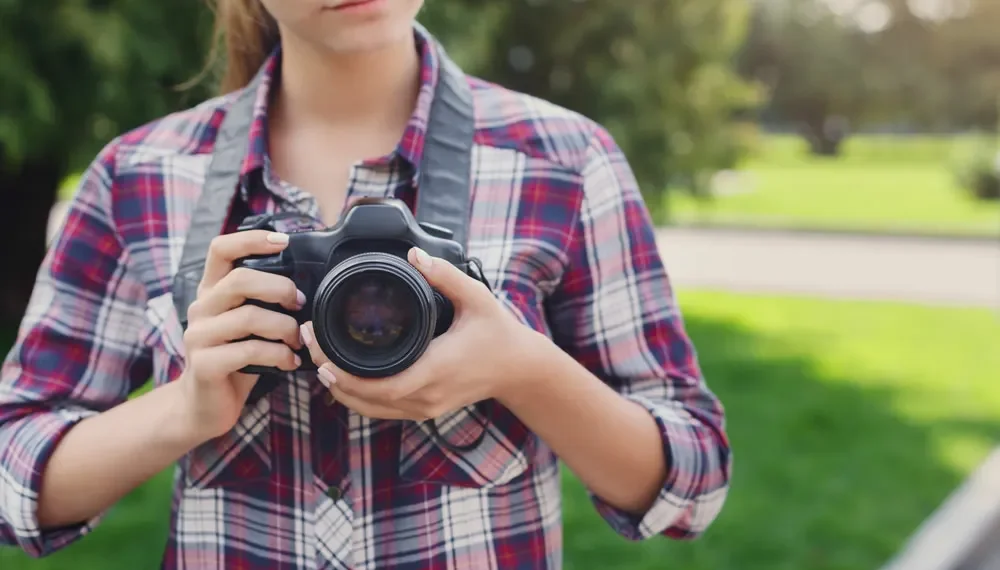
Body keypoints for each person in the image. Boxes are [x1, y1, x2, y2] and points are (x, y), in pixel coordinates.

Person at [0, 1, 732, 568]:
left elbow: (692, 486)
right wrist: (184, 411)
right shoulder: (141, 176)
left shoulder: (565, 163)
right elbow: (12, 476)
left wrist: (522, 368)